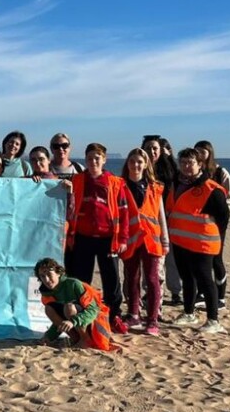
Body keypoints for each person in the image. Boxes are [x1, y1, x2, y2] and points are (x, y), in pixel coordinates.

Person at [65, 143, 131, 334]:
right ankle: (83, 313)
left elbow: (124, 212)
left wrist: (123, 239)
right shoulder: (77, 180)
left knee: (111, 279)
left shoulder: (115, 182)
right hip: (83, 237)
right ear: (85, 160)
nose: (93, 161)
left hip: (107, 238)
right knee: (82, 279)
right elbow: (68, 202)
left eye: (97, 158)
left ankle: (114, 315)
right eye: (90, 158)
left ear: (104, 159)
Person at [169, 148, 230, 334]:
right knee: (187, 279)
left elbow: (223, 217)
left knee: (205, 281)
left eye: (191, 163)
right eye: (183, 162)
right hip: (180, 241)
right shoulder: (175, 184)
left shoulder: (211, 189)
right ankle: (189, 312)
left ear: (200, 165)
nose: (187, 166)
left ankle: (213, 320)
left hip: (203, 243)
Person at [120, 148, 169, 336]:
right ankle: (134, 314)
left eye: (140, 161)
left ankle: (152, 319)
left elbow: (160, 214)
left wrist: (165, 240)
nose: (136, 165)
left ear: (146, 164)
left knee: (152, 279)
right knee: (131, 278)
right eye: (132, 161)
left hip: (151, 240)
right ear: (128, 164)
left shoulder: (155, 187)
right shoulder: (120, 185)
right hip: (130, 239)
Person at [34, 258, 116, 351]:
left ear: (58, 273)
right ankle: (75, 339)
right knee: (49, 309)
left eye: (49, 274)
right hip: (76, 323)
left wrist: (73, 321)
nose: (47, 280)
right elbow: (59, 320)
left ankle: (86, 340)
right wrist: (49, 337)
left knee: (69, 307)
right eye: (42, 276)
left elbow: (93, 310)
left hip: (94, 322)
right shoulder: (47, 293)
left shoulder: (73, 284)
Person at [194, 140, 230, 310]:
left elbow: (228, 198)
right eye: (197, 152)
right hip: (197, 223)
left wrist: (217, 214)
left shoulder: (220, 172)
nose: (201, 155)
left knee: (216, 258)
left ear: (209, 153)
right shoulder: (195, 172)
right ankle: (202, 293)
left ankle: (221, 296)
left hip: (216, 223)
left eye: (203, 152)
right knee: (200, 259)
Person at [143, 135, 181, 305]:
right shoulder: (139, 168)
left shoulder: (171, 171)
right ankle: (149, 291)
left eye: (155, 148)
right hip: (147, 221)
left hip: (169, 219)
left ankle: (175, 292)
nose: (152, 152)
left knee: (171, 258)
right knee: (149, 258)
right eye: (149, 148)